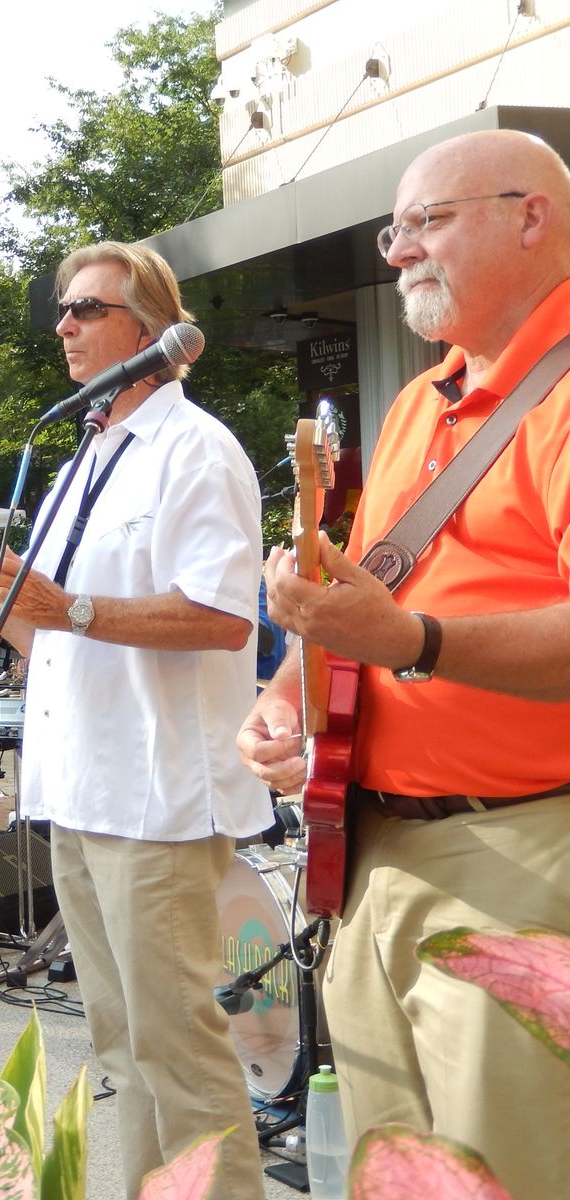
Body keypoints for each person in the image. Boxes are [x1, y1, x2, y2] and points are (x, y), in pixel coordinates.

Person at [237, 130, 570, 1200]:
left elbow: (401, 626)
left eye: (427, 222)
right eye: (394, 231)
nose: (400, 252)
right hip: (374, 853)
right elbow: (369, 595)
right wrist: (287, 697)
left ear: (531, 215)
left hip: (521, 853)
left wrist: (416, 642)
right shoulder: (420, 403)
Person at [0, 240, 268, 1199]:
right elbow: (49, 641)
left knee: (180, 1052)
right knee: (124, 1047)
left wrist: (64, 605)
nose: (64, 325)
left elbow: (222, 617)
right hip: (78, 795)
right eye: (63, 309)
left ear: (149, 331)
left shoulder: (195, 450)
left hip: (155, 803)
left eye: (87, 308)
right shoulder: (84, 460)